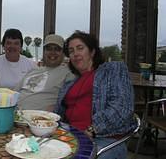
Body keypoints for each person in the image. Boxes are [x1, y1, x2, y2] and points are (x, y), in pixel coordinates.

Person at [54, 30, 136, 159]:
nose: (75, 54)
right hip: (69, 135)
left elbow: (123, 107)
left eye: (80, 48)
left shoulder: (112, 70)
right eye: (71, 51)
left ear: (92, 51)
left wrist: (93, 129)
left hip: (103, 139)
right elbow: (59, 114)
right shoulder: (70, 82)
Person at [14, 34, 75, 111]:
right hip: (14, 115)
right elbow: (13, 93)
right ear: (44, 51)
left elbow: (71, 102)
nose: (52, 52)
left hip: (40, 119)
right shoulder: (33, 71)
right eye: (49, 49)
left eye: (57, 49)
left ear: (63, 53)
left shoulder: (67, 73)